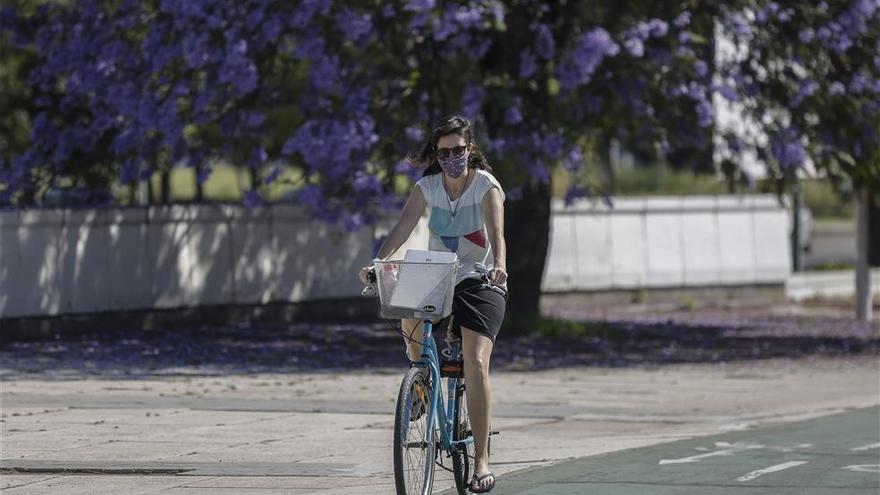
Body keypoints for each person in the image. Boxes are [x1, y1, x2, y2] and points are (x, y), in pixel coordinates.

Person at [358, 114, 507, 493]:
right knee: (404, 306)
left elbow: (496, 233)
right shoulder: (427, 187)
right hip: (439, 273)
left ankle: (481, 461)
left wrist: (500, 266)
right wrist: (378, 262)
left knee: (474, 362)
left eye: (459, 150)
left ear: (470, 150)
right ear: (436, 155)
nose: (452, 158)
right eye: (445, 153)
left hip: (480, 278)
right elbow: (402, 228)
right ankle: (421, 383)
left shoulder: (486, 186)